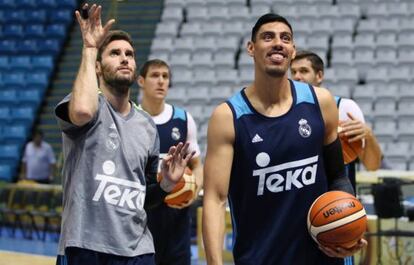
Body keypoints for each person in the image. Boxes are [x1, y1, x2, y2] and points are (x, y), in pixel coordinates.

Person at [202, 13, 367, 265]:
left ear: (292, 50)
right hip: (259, 257)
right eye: (268, 37)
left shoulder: (321, 102)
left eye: (285, 38)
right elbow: (214, 199)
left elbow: (338, 176)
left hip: (320, 258)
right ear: (251, 48)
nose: (278, 42)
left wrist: (347, 230)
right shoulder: (228, 117)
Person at [54, 4, 194, 265]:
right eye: (115, 53)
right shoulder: (88, 105)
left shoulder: (146, 125)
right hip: (85, 245)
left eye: (129, 54)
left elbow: (144, 198)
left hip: (137, 250)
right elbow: (83, 111)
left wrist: (165, 185)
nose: (124, 58)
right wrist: (89, 48)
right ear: (98, 67)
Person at [137, 59, 203, 265]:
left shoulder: (183, 119)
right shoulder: (131, 118)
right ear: (141, 81)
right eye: (155, 76)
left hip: (177, 221)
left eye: (165, 77)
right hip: (141, 219)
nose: (161, 81)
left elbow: (197, 166)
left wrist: (192, 191)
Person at [290, 50, 383, 190]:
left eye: (303, 71)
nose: (297, 76)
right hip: (300, 196)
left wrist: (369, 136)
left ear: (319, 75)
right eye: (293, 72)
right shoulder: (284, 112)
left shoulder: (344, 107)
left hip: (338, 200)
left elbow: (372, 166)